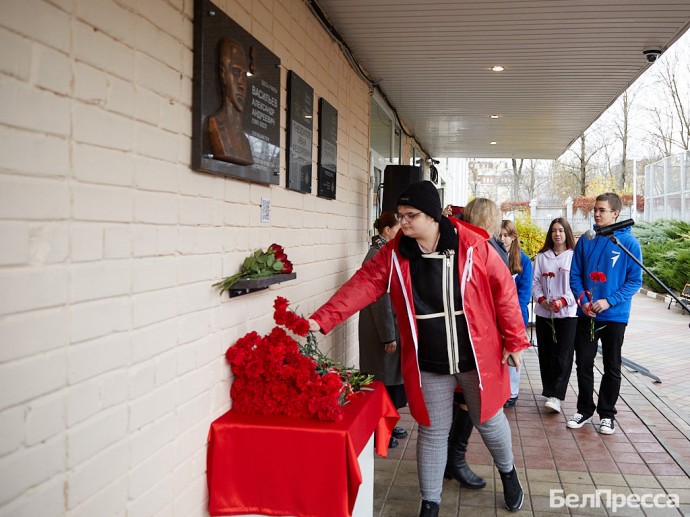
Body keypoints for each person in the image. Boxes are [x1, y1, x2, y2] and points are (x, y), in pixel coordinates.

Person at [308, 181, 529, 516]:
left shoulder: (473, 245)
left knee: (488, 420)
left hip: (475, 356)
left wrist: (515, 340)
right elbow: (364, 284)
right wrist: (321, 319)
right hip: (429, 359)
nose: (403, 222)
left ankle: (509, 474)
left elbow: (504, 293)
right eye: (400, 215)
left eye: (410, 215)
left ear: (432, 216)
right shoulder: (394, 253)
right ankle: (430, 503)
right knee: (432, 430)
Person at [568, 193, 642, 435]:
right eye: (595, 210)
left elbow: (634, 281)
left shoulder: (628, 243)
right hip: (587, 314)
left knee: (612, 366)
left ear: (616, 213)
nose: (597, 214)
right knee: (584, 364)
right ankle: (584, 410)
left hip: (614, 316)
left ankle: (607, 414)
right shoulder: (586, 240)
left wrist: (609, 301)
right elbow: (575, 274)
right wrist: (583, 301)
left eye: (602, 210)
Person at [358, 211, 408, 448]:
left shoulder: (387, 252)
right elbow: (381, 300)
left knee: (391, 382)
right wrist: (388, 335)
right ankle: (380, 432)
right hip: (381, 331)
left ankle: (388, 424)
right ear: (387, 230)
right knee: (382, 383)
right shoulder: (376, 255)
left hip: (390, 327)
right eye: (398, 230)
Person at [532, 218, 577, 414]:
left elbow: (577, 285)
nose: (557, 234)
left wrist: (562, 302)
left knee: (563, 355)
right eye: (553, 231)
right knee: (547, 354)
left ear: (567, 233)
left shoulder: (574, 257)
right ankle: (549, 391)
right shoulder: (542, 257)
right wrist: (542, 300)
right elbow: (535, 282)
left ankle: (557, 395)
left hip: (567, 314)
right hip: (545, 313)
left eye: (561, 230)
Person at [499, 220, 533, 408]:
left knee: (514, 353)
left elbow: (524, 293)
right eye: (500, 235)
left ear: (513, 237)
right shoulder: (494, 255)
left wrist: (516, 320)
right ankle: (499, 390)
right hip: (496, 316)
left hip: (516, 315)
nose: (502, 239)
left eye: (506, 235)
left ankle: (512, 392)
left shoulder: (523, 260)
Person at [206, 38, 254, 166]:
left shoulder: (245, 142)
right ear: (223, 75)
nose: (241, 84)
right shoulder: (215, 124)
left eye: (244, 75)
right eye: (236, 72)